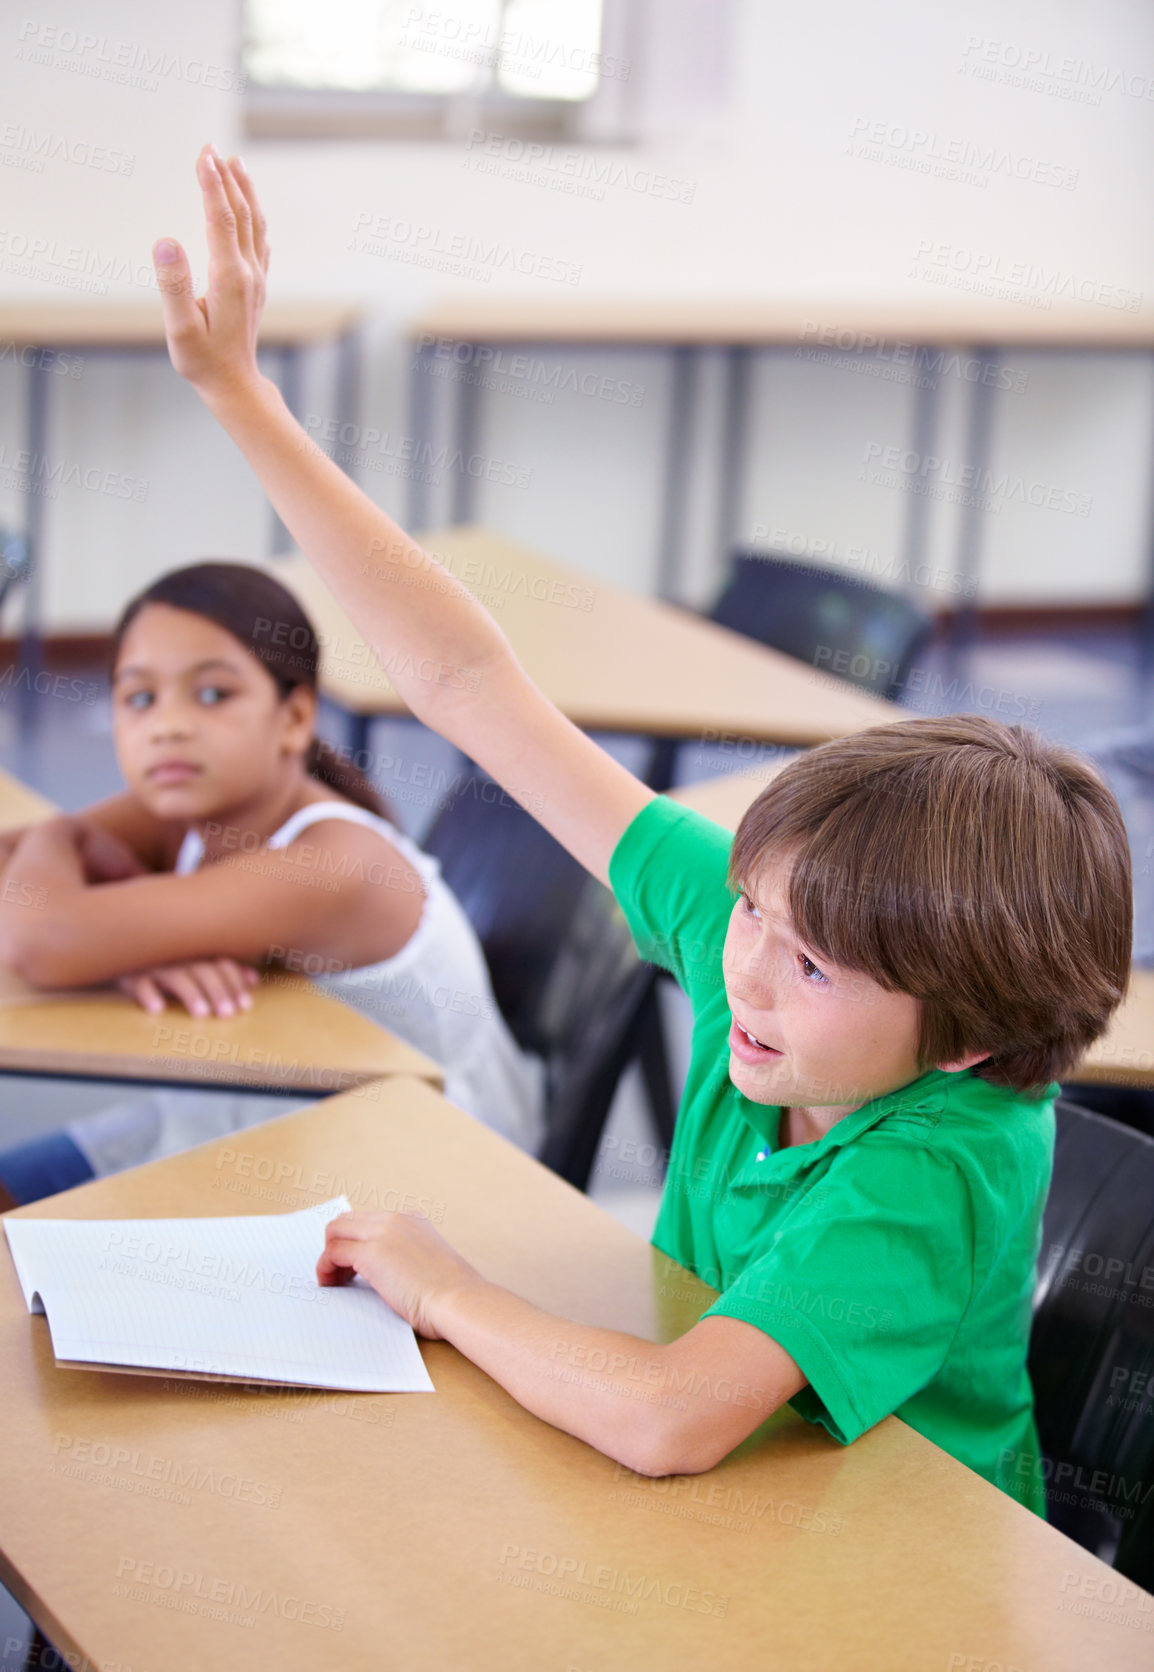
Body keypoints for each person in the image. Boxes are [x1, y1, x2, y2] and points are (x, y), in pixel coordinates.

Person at [138, 145, 1130, 1506]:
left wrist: (446, 1290)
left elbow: (671, 1420)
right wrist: (241, 397)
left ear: (965, 1036)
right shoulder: (775, 959)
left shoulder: (926, 1163)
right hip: (729, 1511)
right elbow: (467, 685)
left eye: (806, 963)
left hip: (895, 1584)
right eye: (754, 921)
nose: (740, 968)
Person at [0, 562, 544, 1205]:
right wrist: (123, 957)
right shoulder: (185, 807)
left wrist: (58, 847)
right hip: (254, 1123)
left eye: (212, 695)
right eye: (139, 698)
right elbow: (42, 921)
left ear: (294, 718)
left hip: (409, 1183)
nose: (167, 725)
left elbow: (38, 938)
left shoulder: (334, 862)